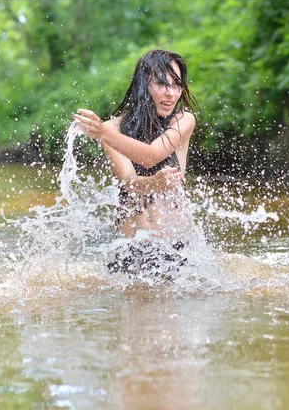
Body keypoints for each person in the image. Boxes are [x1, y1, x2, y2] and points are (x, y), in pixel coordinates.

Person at [73, 49, 198, 277]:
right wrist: (155, 183)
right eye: (161, 84)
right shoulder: (112, 129)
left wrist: (101, 133)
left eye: (176, 85)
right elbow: (129, 183)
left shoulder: (183, 120)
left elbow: (151, 156)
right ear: (142, 86)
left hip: (176, 247)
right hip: (131, 250)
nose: (171, 93)